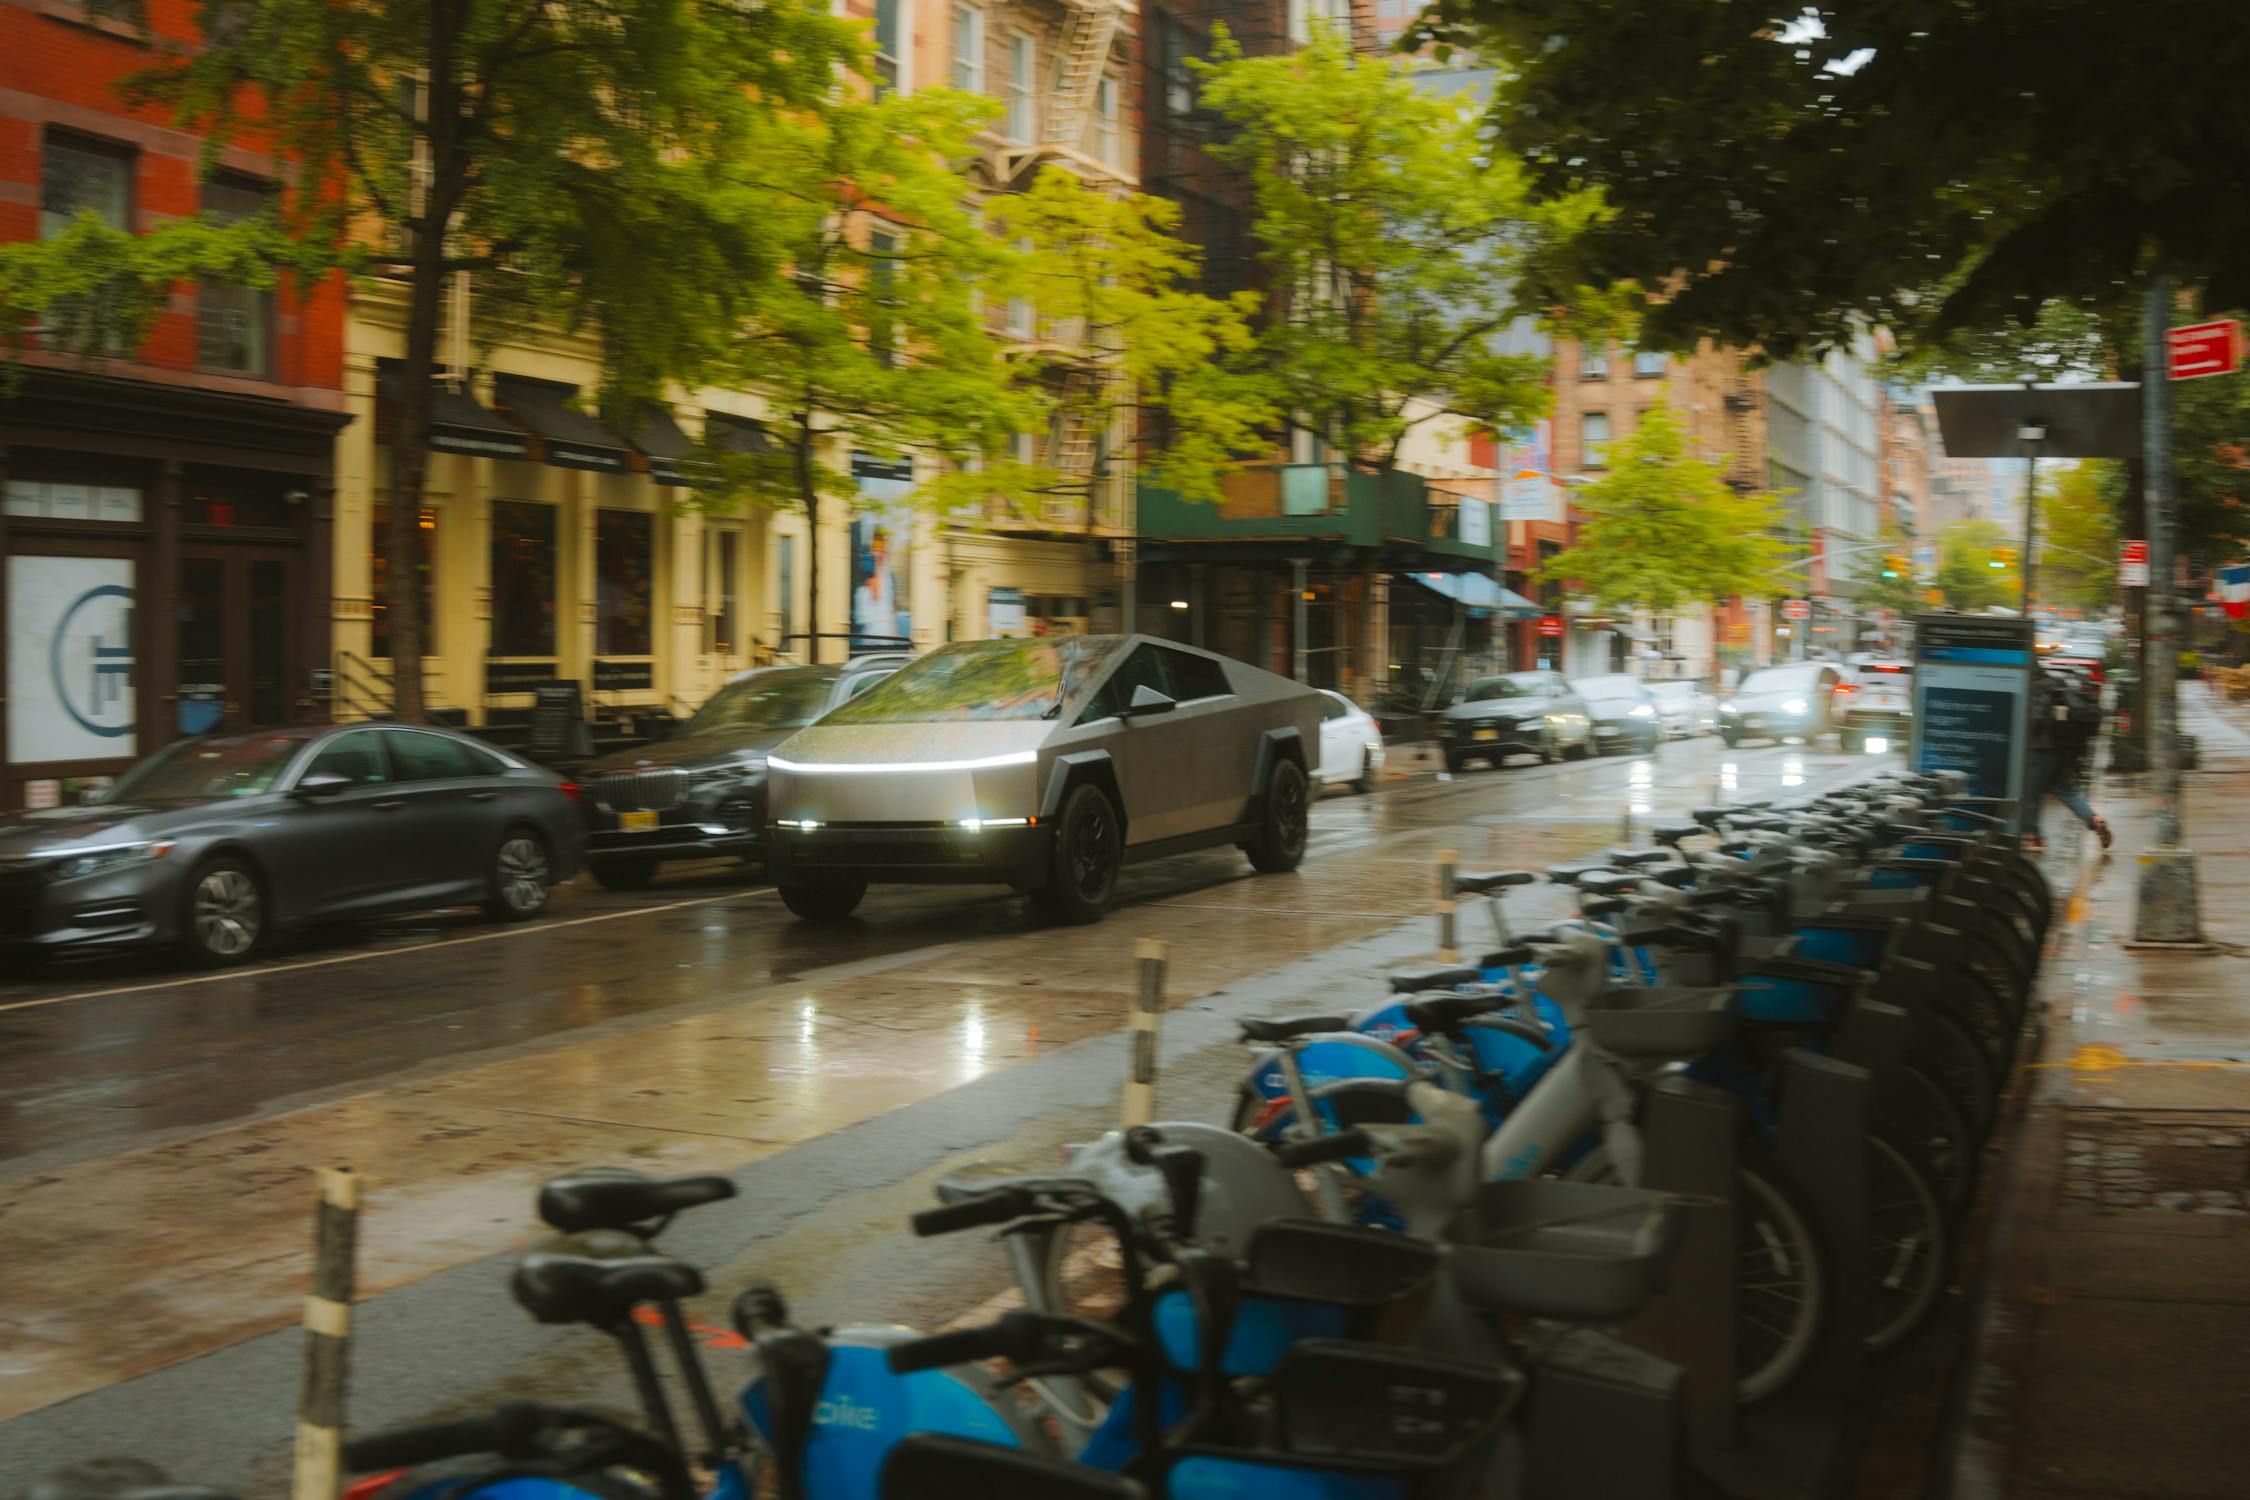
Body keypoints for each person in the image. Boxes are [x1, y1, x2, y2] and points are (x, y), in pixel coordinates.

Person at [2027, 667, 2111, 851]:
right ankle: (2093, 819)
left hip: (2042, 749)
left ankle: (2033, 837)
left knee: (2030, 793)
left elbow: (2035, 720)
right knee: (2066, 790)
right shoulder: (2062, 690)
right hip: (2065, 750)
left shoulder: (2039, 689)